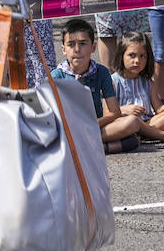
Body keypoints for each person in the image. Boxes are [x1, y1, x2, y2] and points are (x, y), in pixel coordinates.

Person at [51, 20, 140, 154]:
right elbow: (50, 114)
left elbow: (115, 112)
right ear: (63, 49)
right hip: (69, 130)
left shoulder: (101, 72)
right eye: (71, 44)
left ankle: (86, 148)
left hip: (96, 127)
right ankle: (94, 147)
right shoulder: (56, 76)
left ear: (93, 47)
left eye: (82, 44)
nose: (77, 49)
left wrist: (95, 124)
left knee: (133, 123)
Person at [111, 32, 164, 142]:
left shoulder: (148, 82)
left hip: (148, 123)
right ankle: (155, 135)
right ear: (121, 56)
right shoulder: (114, 81)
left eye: (142, 56)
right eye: (132, 55)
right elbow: (107, 113)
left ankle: (141, 135)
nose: (137, 61)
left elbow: (158, 109)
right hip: (125, 123)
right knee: (130, 122)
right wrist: (123, 110)